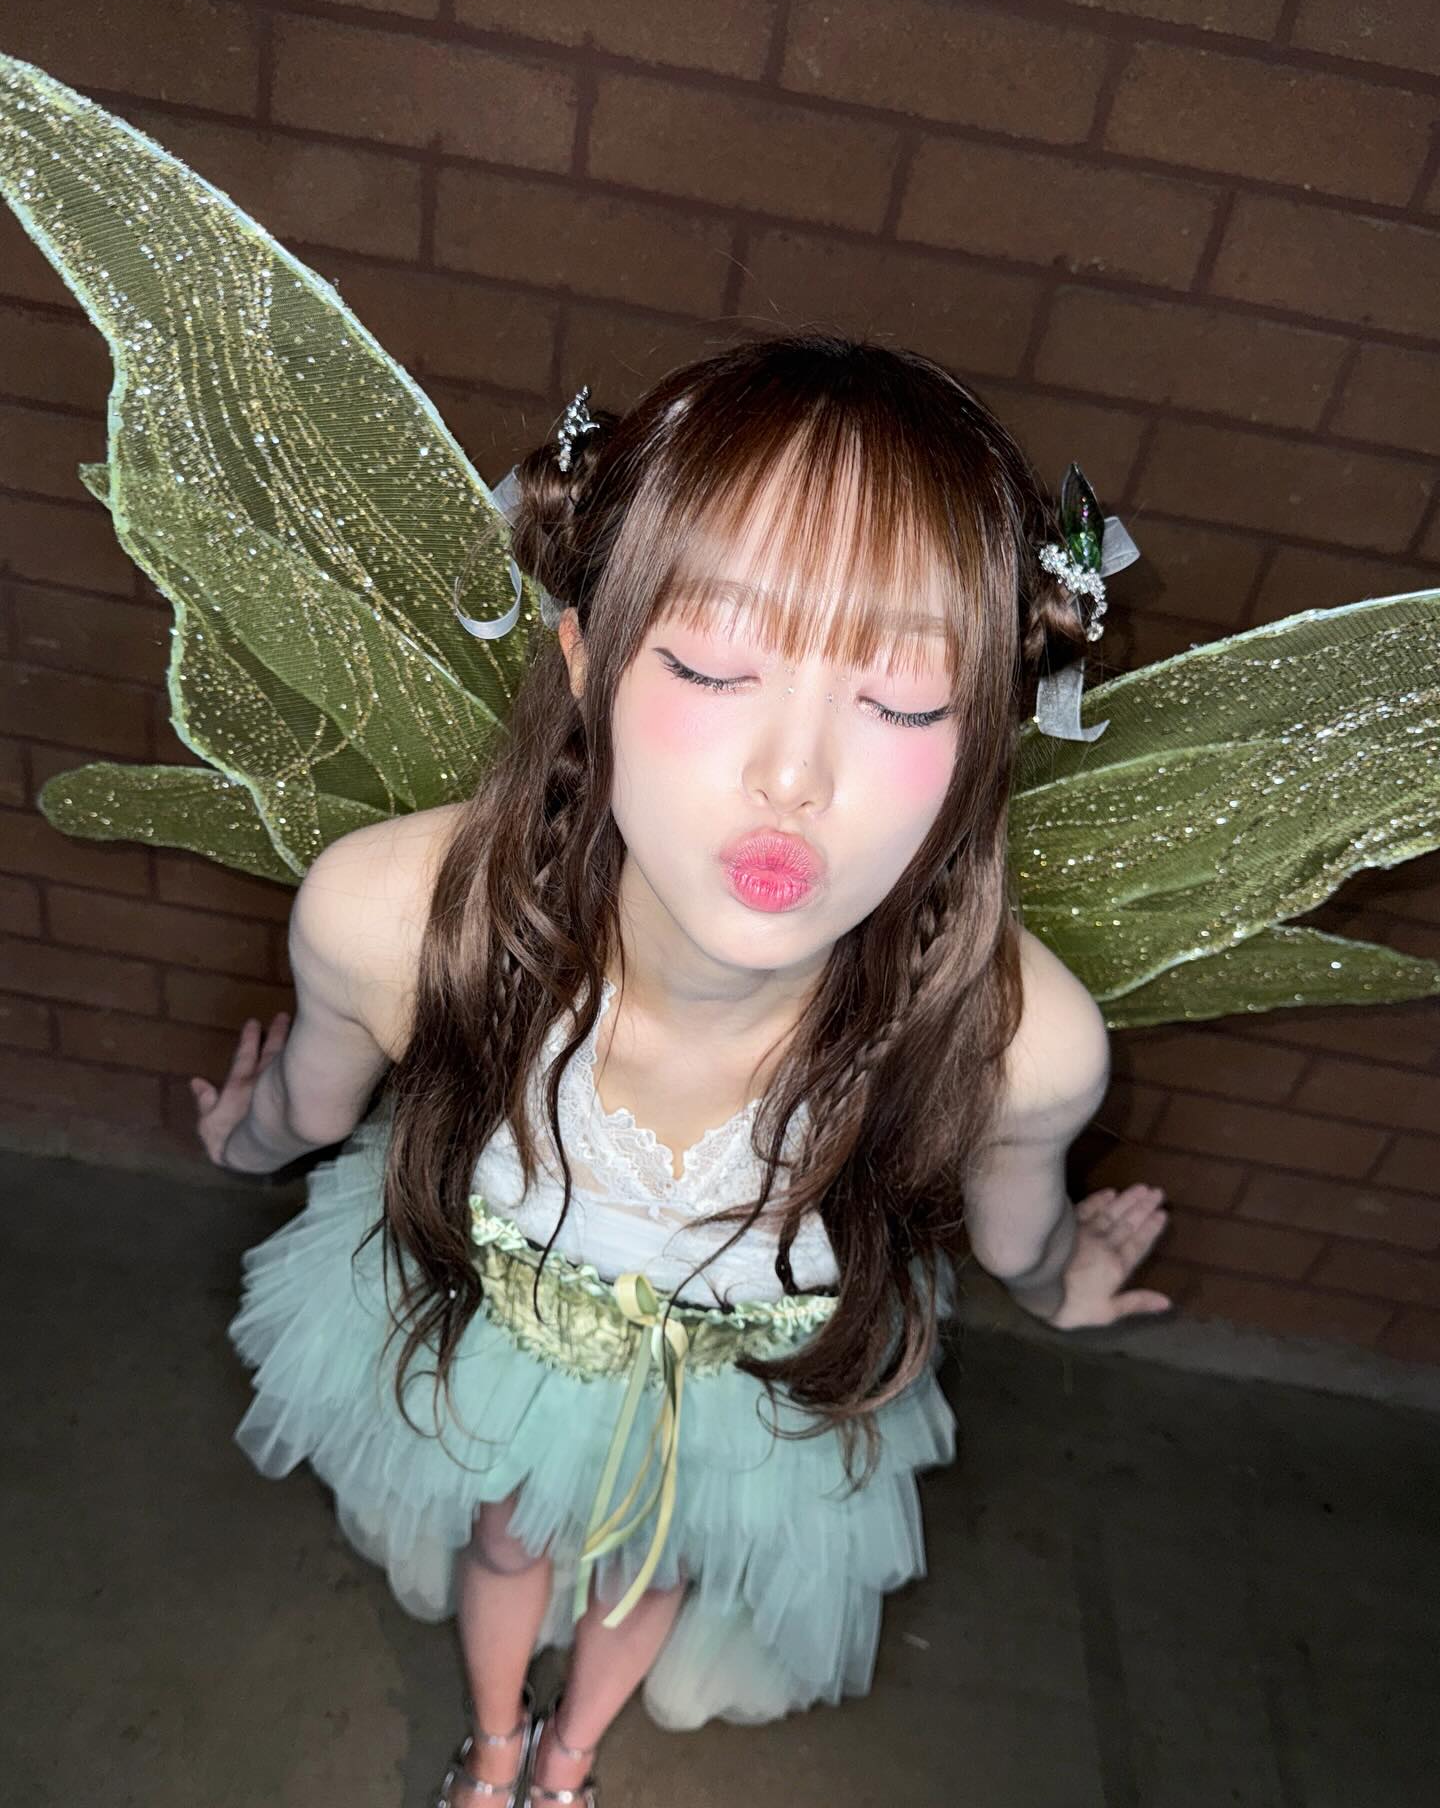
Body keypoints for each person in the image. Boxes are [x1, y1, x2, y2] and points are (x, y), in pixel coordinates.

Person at [188, 336, 1173, 1805]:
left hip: (742, 1392)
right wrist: (245, 1137)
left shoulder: (1021, 1044)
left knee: (657, 1567)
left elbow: (1019, 1231)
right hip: (514, 1346)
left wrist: (1063, 1284)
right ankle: (496, 1749)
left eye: (905, 699)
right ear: (586, 655)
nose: (795, 774)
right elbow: (307, 1109)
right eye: (715, 665)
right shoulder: (394, 914)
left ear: (987, 735)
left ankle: (570, 1763)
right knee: (512, 1531)